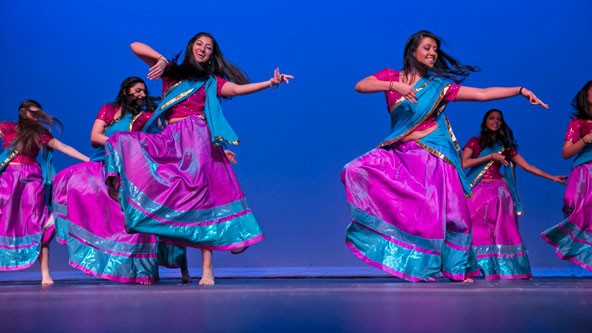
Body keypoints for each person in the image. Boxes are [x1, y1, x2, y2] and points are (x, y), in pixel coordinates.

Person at [341, 30, 548, 282]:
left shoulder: (440, 87)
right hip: (403, 153)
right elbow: (361, 85)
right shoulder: (391, 77)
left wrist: (520, 90)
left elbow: (482, 94)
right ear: (412, 51)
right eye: (427, 48)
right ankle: (411, 258)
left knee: (449, 212)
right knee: (354, 170)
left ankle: (456, 268)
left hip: (435, 153)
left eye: (435, 49)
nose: (432, 53)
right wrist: (395, 85)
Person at [104, 32, 293, 285]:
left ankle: (207, 269)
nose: (203, 49)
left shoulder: (210, 81)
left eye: (209, 47)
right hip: (170, 139)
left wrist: (270, 82)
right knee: (119, 142)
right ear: (191, 46)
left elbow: (237, 88)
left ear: (212, 54)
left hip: (197, 140)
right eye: (199, 44)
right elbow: (134, 45)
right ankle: (124, 194)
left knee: (202, 198)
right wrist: (160, 60)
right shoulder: (172, 73)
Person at [52, 77, 180, 284]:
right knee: (69, 180)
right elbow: (95, 137)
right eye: (137, 90)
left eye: (144, 91)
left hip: (132, 164)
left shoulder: (147, 116)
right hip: (104, 160)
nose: (142, 94)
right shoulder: (109, 109)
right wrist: (120, 139)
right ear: (125, 91)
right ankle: (95, 256)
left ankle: (142, 270)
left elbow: (163, 139)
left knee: (135, 211)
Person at [462, 109, 567, 280]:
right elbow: (464, 163)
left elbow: (528, 167)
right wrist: (490, 156)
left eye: (499, 119)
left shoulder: (506, 146)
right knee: (477, 230)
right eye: (491, 118)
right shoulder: (475, 142)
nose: (495, 121)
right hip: (477, 190)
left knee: (503, 230)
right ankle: (474, 269)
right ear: (485, 122)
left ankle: (505, 269)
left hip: (499, 193)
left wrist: (553, 177)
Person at [0, 100, 89, 285]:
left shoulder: (40, 133)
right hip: (8, 180)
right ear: (22, 112)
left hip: (30, 179)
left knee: (38, 223)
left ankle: (45, 273)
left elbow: (64, 148)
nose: (35, 117)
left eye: (37, 114)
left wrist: (88, 160)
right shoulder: (8, 128)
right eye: (32, 113)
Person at [542, 80, 592, 271]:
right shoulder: (578, 123)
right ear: (585, 96)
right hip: (583, 171)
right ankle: (571, 240)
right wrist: (585, 139)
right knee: (571, 202)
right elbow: (566, 153)